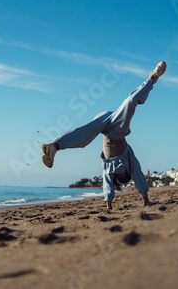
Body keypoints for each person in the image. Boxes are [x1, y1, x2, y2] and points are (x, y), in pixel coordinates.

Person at [42, 61, 167, 210]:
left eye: (118, 178)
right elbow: (138, 175)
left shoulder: (108, 168)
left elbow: (107, 183)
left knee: (84, 138)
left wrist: (108, 206)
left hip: (104, 125)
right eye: (122, 176)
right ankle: (153, 77)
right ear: (126, 174)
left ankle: (55, 146)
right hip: (117, 129)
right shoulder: (129, 159)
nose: (118, 175)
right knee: (131, 101)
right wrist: (145, 200)